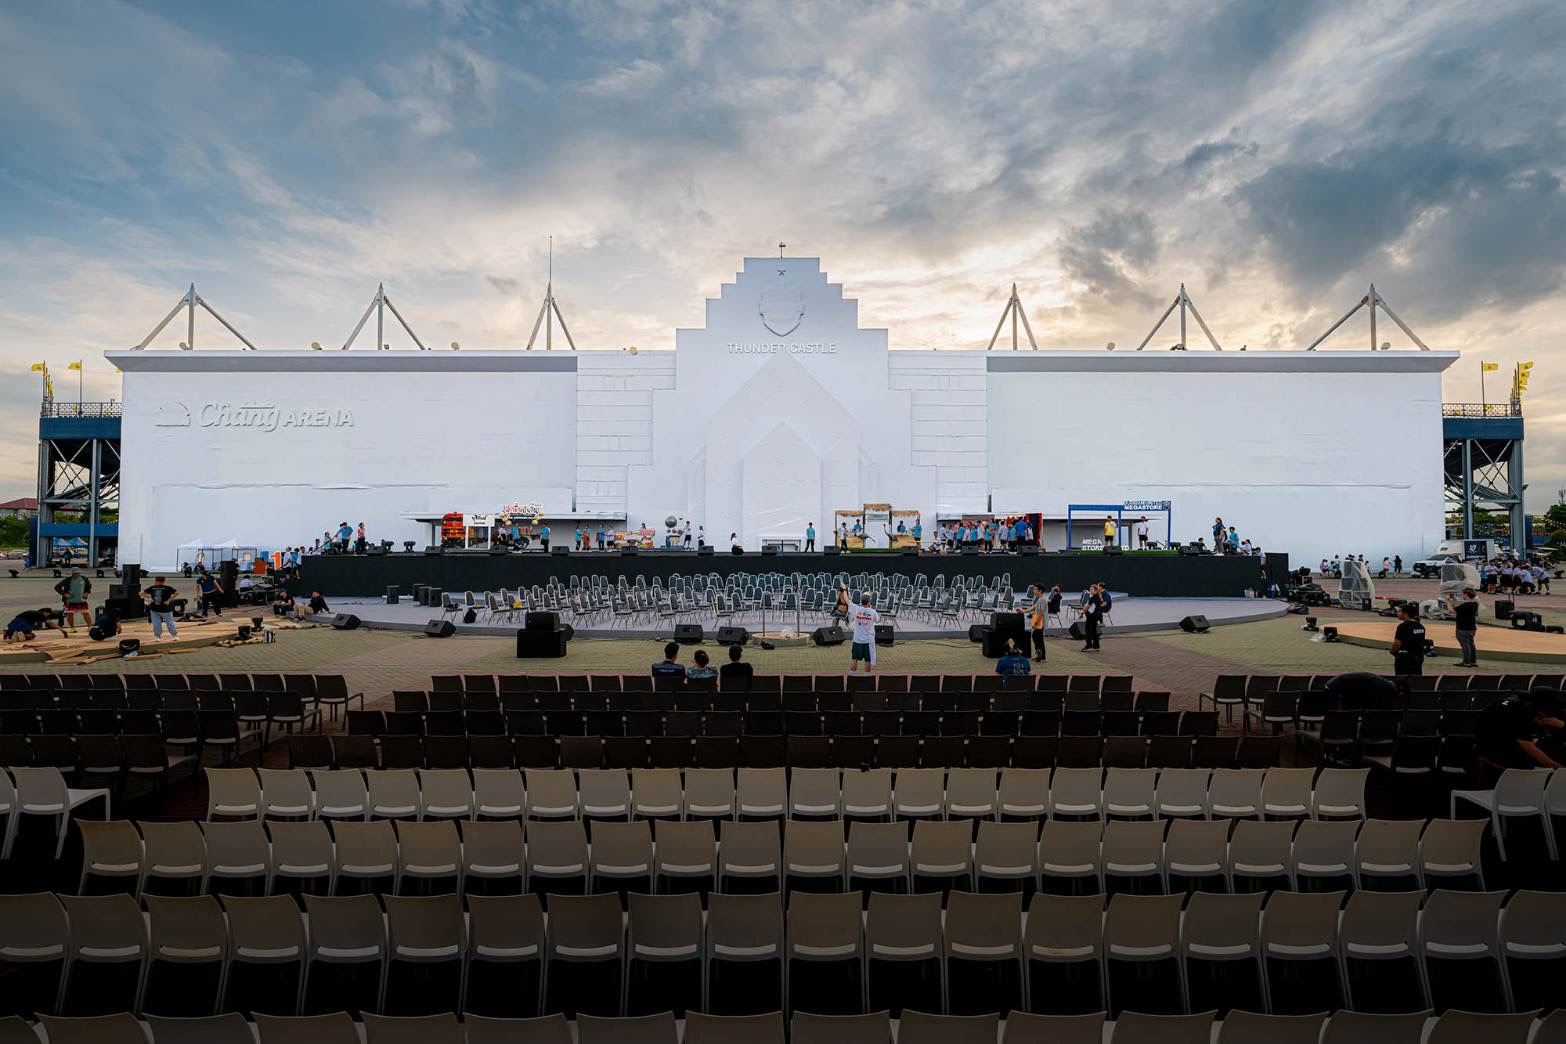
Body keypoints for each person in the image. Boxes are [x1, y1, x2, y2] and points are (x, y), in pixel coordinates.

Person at [1474, 689, 1564, 784]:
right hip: (1494, 761)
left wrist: (1560, 725)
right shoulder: (1520, 712)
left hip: (1489, 746)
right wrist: (1559, 768)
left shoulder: (1518, 701)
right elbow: (1532, 751)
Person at [1390, 603, 1426, 677]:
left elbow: (1397, 643)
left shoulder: (1402, 626)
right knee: (1416, 678)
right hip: (1418, 656)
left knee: (1401, 678)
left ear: (1406, 614)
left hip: (1404, 657)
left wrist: (1392, 651)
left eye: (1399, 611)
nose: (1397, 613)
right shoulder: (1421, 627)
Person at [849, 593, 880, 675]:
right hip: (868, 640)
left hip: (857, 639)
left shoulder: (856, 609)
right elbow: (877, 620)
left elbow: (847, 600)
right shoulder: (873, 612)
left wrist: (843, 590)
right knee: (868, 660)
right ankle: (866, 677)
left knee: (854, 659)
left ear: (861, 601)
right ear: (869, 602)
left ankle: (852, 676)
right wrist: (870, 609)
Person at [54, 568, 92, 632]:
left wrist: (87, 592)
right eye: (75, 573)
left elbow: (89, 586)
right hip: (70, 601)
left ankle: (90, 626)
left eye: (78, 573)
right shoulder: (67, 580)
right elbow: (57, 587)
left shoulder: (84, 579)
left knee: (85, 612)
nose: (77, 574)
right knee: (70, 614)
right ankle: (72, 628)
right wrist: (64, 594)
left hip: (81, 600)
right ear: (72, 574)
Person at [142, 575, 179, 640]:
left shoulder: (153, 588)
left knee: (162, 623)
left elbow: (141, 593)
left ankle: (160, 636)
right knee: (165, 623)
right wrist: (169, 600)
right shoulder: (167, 588)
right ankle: (171, 635)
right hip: (158, 609)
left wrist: (169, 600)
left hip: (162, 609)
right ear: (164, 581)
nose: (159, 582)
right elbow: (176, 593)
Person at [1454, 587, 1480, 667]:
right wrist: (1456, 600)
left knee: (1465, 646)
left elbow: (1451, 610)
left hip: (1463, 628)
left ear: (1466, 595)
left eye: (1463, 594)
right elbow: (1461, 606)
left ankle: (1467, 662)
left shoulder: (1464, 606)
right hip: (1472, 628)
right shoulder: (1475, 605)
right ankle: (1473, 661)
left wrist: (1448, 601)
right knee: (1471, 644)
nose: (1463, 596)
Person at [1027, 583, 1047, 662]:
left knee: (1036, 637)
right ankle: (1041, 655)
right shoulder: (1039, 599)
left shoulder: (1042, 600)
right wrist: (1023, 611)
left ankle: (1040, 654)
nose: (1034, 590)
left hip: (1039, 622)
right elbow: (1033, 608)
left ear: (1040, 591)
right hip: (1038, 621)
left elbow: (1041, 614)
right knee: (1038, 637)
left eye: (1035, 589)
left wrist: (1036, 624)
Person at [1081, 583, 1104, 651]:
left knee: (1088, 630)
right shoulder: (1098, 597)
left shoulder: (1092, 598)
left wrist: (1082, 612)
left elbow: (1086, 608)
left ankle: (1088, 646)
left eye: (1092, 589)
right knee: (1094, 630)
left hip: (1091, 617)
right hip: (1096, 616)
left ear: (1096, 591)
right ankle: (1096, 646)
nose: (1090, 590)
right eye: (1090, 589)